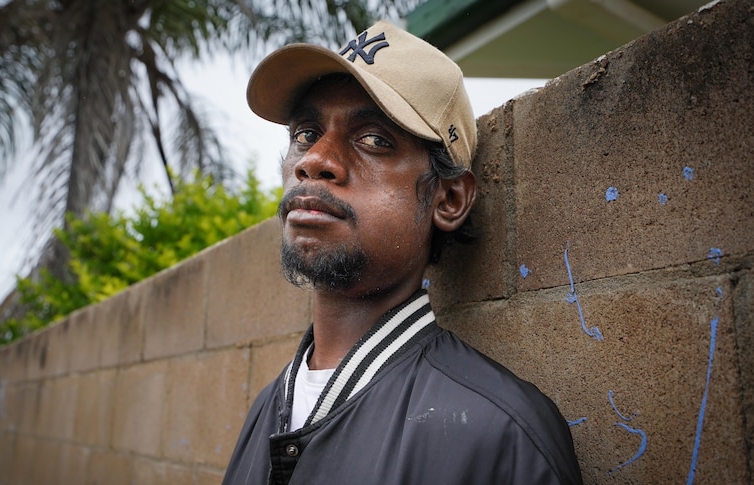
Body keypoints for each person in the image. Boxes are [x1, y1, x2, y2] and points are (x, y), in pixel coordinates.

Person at [223, 20, 582, 485]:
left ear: (448, 199)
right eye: (306, 133)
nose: (314, 160)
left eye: (373, 139)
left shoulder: (503, 432)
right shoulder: (266, 408)